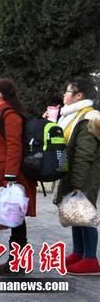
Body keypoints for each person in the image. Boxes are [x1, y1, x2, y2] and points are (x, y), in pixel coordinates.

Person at [0, 78, 37, 276]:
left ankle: (18, 261)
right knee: (14, 217)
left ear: (0, 95)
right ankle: (16, 260)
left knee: (16, 217)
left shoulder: (10, 115)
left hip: (10, 174)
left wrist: (10, 176)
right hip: (0, 171)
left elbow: (15, 146)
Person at [53, 78, 100, 275]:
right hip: (73, 172)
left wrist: (78, 183)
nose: (65, 95)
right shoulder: (73, 116)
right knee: (74, 212)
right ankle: (78, 252)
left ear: (79, 95)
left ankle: (90, 259)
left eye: (68, 91)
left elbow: (84, 154)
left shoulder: (89, 117)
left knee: (84, 213)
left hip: (84, 175)